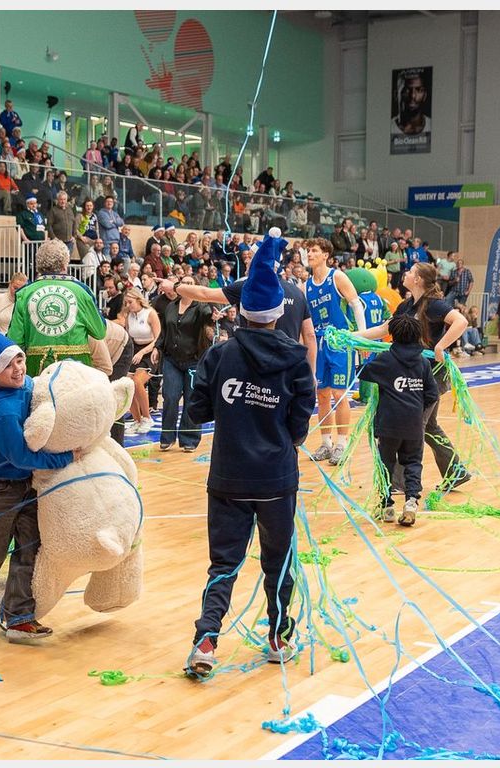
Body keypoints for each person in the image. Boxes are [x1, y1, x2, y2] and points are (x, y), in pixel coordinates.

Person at [183, 232, 316, 678]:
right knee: (278, 561)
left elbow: (197, 411)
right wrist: (285, 439)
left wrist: (227, 401)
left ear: (241, 312)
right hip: (276, 479)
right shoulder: (297, 358)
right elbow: (300, 421)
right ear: (279, 313)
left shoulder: (219, 355)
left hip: (228, 476)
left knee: (223, 564)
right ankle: (278, 637)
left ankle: (206, 640)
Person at [0, 329, 74, 642]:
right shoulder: (3, 410)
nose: (18, 369)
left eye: (20, 360)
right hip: (1, 488)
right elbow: (23, 457)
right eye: (8, 365)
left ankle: (19, 618)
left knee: (30, 547)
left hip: (29, 484)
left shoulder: (28, 386)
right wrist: (66, 458)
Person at [357, 262, 472, 493]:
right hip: (412, 373)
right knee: (428, 426)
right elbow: (384, 329)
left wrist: (441, 346)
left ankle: (398, 483)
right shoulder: (406, 305)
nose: (406, 274)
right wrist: (351, 337)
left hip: (431, 375)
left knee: (411, 423)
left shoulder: (435, 305)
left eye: (410, 272)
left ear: (418, 279)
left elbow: (461, 321)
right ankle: (456, 472)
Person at [359, 313, 439, 526]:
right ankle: (411, 502)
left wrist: (363, 353)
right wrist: (417, 409)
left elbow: (363, 373)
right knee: (413, 462)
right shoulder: (423, 362)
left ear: (392, 335)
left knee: (385, 464)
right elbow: (432, 394)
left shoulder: (386, 359)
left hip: (389, 424)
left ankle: (386, 506)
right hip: (414, 424)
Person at [303, 238, 365, 465]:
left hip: (340, 341)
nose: (310, 254)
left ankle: (342, 444)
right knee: (322, 395)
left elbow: (356, 305)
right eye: (308, 251)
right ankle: (326, 443)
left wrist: (362, 338)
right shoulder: (306, 285)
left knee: (339, 394)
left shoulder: (337, 276)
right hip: (318, 343)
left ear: (326, 255)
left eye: (314, 251)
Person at [7, 240, 106, 376]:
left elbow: (14, 340)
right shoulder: (82, 291)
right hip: (76, 369)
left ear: (38, 265)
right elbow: (100, 331)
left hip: (37, 369)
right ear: (65, 263)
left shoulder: (24, 293)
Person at [156, 275, 215, 452]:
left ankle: (189, 439)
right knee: (170, 397)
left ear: (195, 287)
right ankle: (167, 437)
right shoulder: (171, 306)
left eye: (191, 283)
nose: (187, 286)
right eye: (185, 283)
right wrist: (157, 348)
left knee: (191, 399)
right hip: (171, 359)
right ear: (179, 286)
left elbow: (209, 319)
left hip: (194, 362)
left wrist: (213, 318)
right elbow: (164, 331)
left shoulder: (201, 307)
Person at [116, 289, 160, 436]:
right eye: (126, 303)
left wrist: (143, 352)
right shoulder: (129, 316)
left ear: (138, 300)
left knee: (137, 381)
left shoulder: (150, 313)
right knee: (126, 384)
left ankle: (147, 418)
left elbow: (158, 339)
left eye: (130, 302)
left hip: (151, 351)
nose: (128, 305)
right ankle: (136, 419)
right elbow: (129, 337)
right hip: (135, 350)